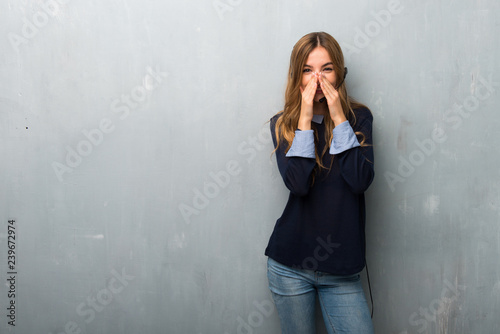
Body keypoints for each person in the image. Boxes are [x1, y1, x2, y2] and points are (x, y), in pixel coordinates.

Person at [265, 31, 375, 333]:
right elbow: (298, 185)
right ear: (296, 76)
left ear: (339, 73)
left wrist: (339, 115)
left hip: (342, 271)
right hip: (290, 266)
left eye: (326, 69)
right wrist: (304, 119)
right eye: (307, 70)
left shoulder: (360, 118)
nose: (317, 78)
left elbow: (359, 181)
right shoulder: (283, 124)